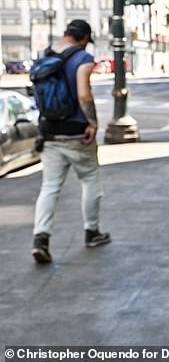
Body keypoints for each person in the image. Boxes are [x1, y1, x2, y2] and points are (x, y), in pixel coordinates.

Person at [32, 19, 110, 264]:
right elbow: (83, 94)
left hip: (49, 131)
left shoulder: (45, 55)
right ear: (84, 38)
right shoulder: (83, 59)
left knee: (50, 187)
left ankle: (40, 239)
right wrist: (93, 123)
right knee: (89, 180)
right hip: (77, 132)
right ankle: (92, 231)